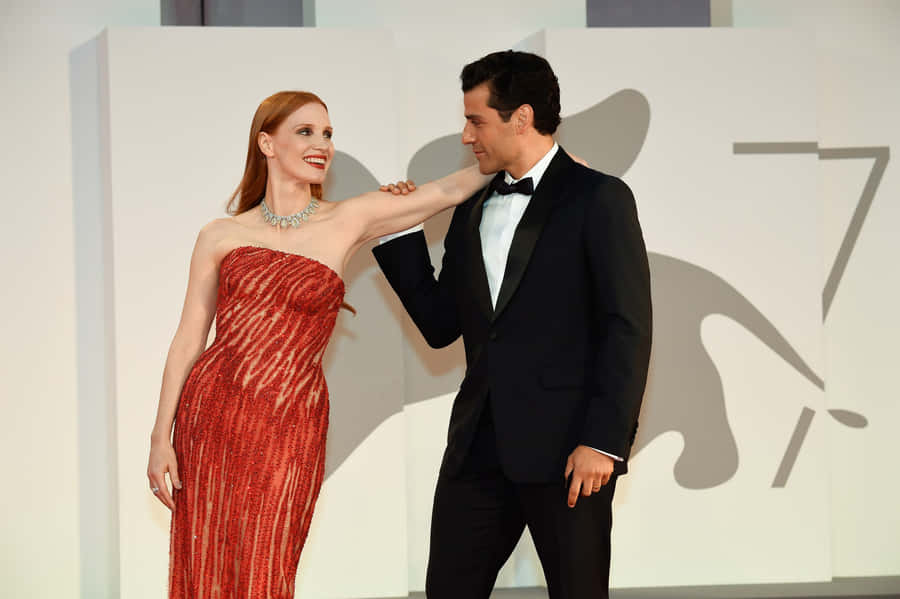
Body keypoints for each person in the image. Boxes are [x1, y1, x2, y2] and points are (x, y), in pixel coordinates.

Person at [146, 90, 492, 598]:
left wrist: (547, 163)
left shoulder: (348, 219)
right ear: (266, 143)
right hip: (213, 417)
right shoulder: (220, 234)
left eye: (328, 134)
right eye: (306, 132)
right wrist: (160, 437)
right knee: (208, 559)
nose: (322, 144)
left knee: (268, 562)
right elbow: (188, 339)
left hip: (291, 422)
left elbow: (451, 189)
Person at [372, 51, 652, 599]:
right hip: (478, 448)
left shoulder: (599, 198)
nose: (465, 135)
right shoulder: (472, 208)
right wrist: (394, 229)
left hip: (570, 452)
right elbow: (439, 325)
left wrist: (603, 441)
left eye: (475, 120)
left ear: (520, 117)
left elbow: (628, 326)